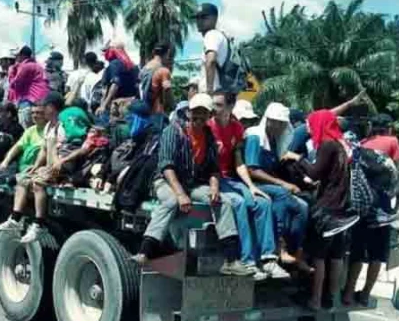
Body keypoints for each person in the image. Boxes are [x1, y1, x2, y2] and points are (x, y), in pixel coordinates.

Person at [131, 94, 241, 266]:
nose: (199, 116)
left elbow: (213, 168)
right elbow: (166, 166)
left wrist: (214, 187)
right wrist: (181, 194)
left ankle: (232, 260)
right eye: (196, 112)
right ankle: (145, 252)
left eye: (203, 113)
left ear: (209, 115)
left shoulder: (209, 136)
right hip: (167, 181)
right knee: (171, 201)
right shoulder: (173, 131)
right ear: (189, 112)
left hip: (192, 184)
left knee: (223, 201)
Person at [283, 110, 359, 310]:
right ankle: (330, 298)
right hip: (343, 208)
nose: (308, 128)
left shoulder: (327, 145)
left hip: (328, 207)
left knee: (318, 255)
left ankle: (315, 299)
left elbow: (315, 172)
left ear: (320, 123)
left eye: (311, 123)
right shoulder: (342, 145)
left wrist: (296, 158)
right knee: (336, 255)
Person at [0, 92, 89, 243]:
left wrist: (56, 164)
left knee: (38, 182)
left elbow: (73, 148)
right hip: (52, 165)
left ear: (52, 107)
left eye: (44, 106)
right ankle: (15, 219)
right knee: (22, 179)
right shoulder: (48, 127)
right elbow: (44, 150)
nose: (42, 109)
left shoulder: (64, 125)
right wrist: (36, 165)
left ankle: (39, 224)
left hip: (63, 165)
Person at [209, 92, 279, 278]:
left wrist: (251, 186)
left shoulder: (236, 128)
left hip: (231, 179)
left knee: (263, 202)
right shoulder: (209, 127)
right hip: (213, 178)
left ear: (230, 107)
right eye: (213, 104)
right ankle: (247, 261)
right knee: (239, 203)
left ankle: (268, 259)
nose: (213, 109)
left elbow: (239, 161)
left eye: (218, 105)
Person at [343, 113, 399, 307]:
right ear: (389, 128)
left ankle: (348, 293)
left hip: (361, 204)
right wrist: (396, 200)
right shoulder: (392, 141)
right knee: (377, 253)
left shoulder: (362, 144)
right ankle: (365, 294)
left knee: (357, 250)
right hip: (382, 205)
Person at [244, 103, 309, 271]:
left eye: (282, 123)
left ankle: (297, 252)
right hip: (253, 184)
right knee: (281, 193)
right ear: (268, 120)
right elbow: (252, 170)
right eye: (276, 122)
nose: (279, 126)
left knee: (303, 206)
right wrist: (282, 183)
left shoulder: (273, 140)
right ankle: (279, 245)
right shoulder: (255, 137)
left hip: (268, 183)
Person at [0, 104, 48, 226]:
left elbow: (45, 152)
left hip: (33, 169)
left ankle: (17, 217)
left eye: (38, 113)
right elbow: (17, 147)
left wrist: (36, 166)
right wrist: (6, 161)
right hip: (20, 166)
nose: (34, 115)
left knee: (9, 180)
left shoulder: (48, 131)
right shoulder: (30, 130)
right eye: (33, 113)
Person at [96, 41, 139, 124]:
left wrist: (103, 105)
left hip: (117, 105)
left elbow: (115, 85)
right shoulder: (132, 65)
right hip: (130, 103)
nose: (104, 54)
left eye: (106, 51)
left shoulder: (114, 64)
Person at [8, 46, 50, 128]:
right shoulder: (36, 65)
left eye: (17, 55)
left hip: (28, 103)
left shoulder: (25, 66)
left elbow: (14, 84)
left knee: (27, 130)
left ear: (23, 55)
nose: (16, 58)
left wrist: (11, 71)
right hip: (40, 102)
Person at [195, 3, 229, 95]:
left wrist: (209, 92)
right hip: (222, 93)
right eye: (197, 18)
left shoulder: (211, 35)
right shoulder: (220, 35)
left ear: (215, 18)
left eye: (204, 17)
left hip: (214, 93)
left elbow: (211, 61)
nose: (199, 21)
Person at [141, 43, 175, 115]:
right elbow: (167, 90)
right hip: (156, 113)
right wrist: (175, 107)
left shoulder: (144, 69)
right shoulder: (163, 71)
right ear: (167, 53)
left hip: (143, 111)